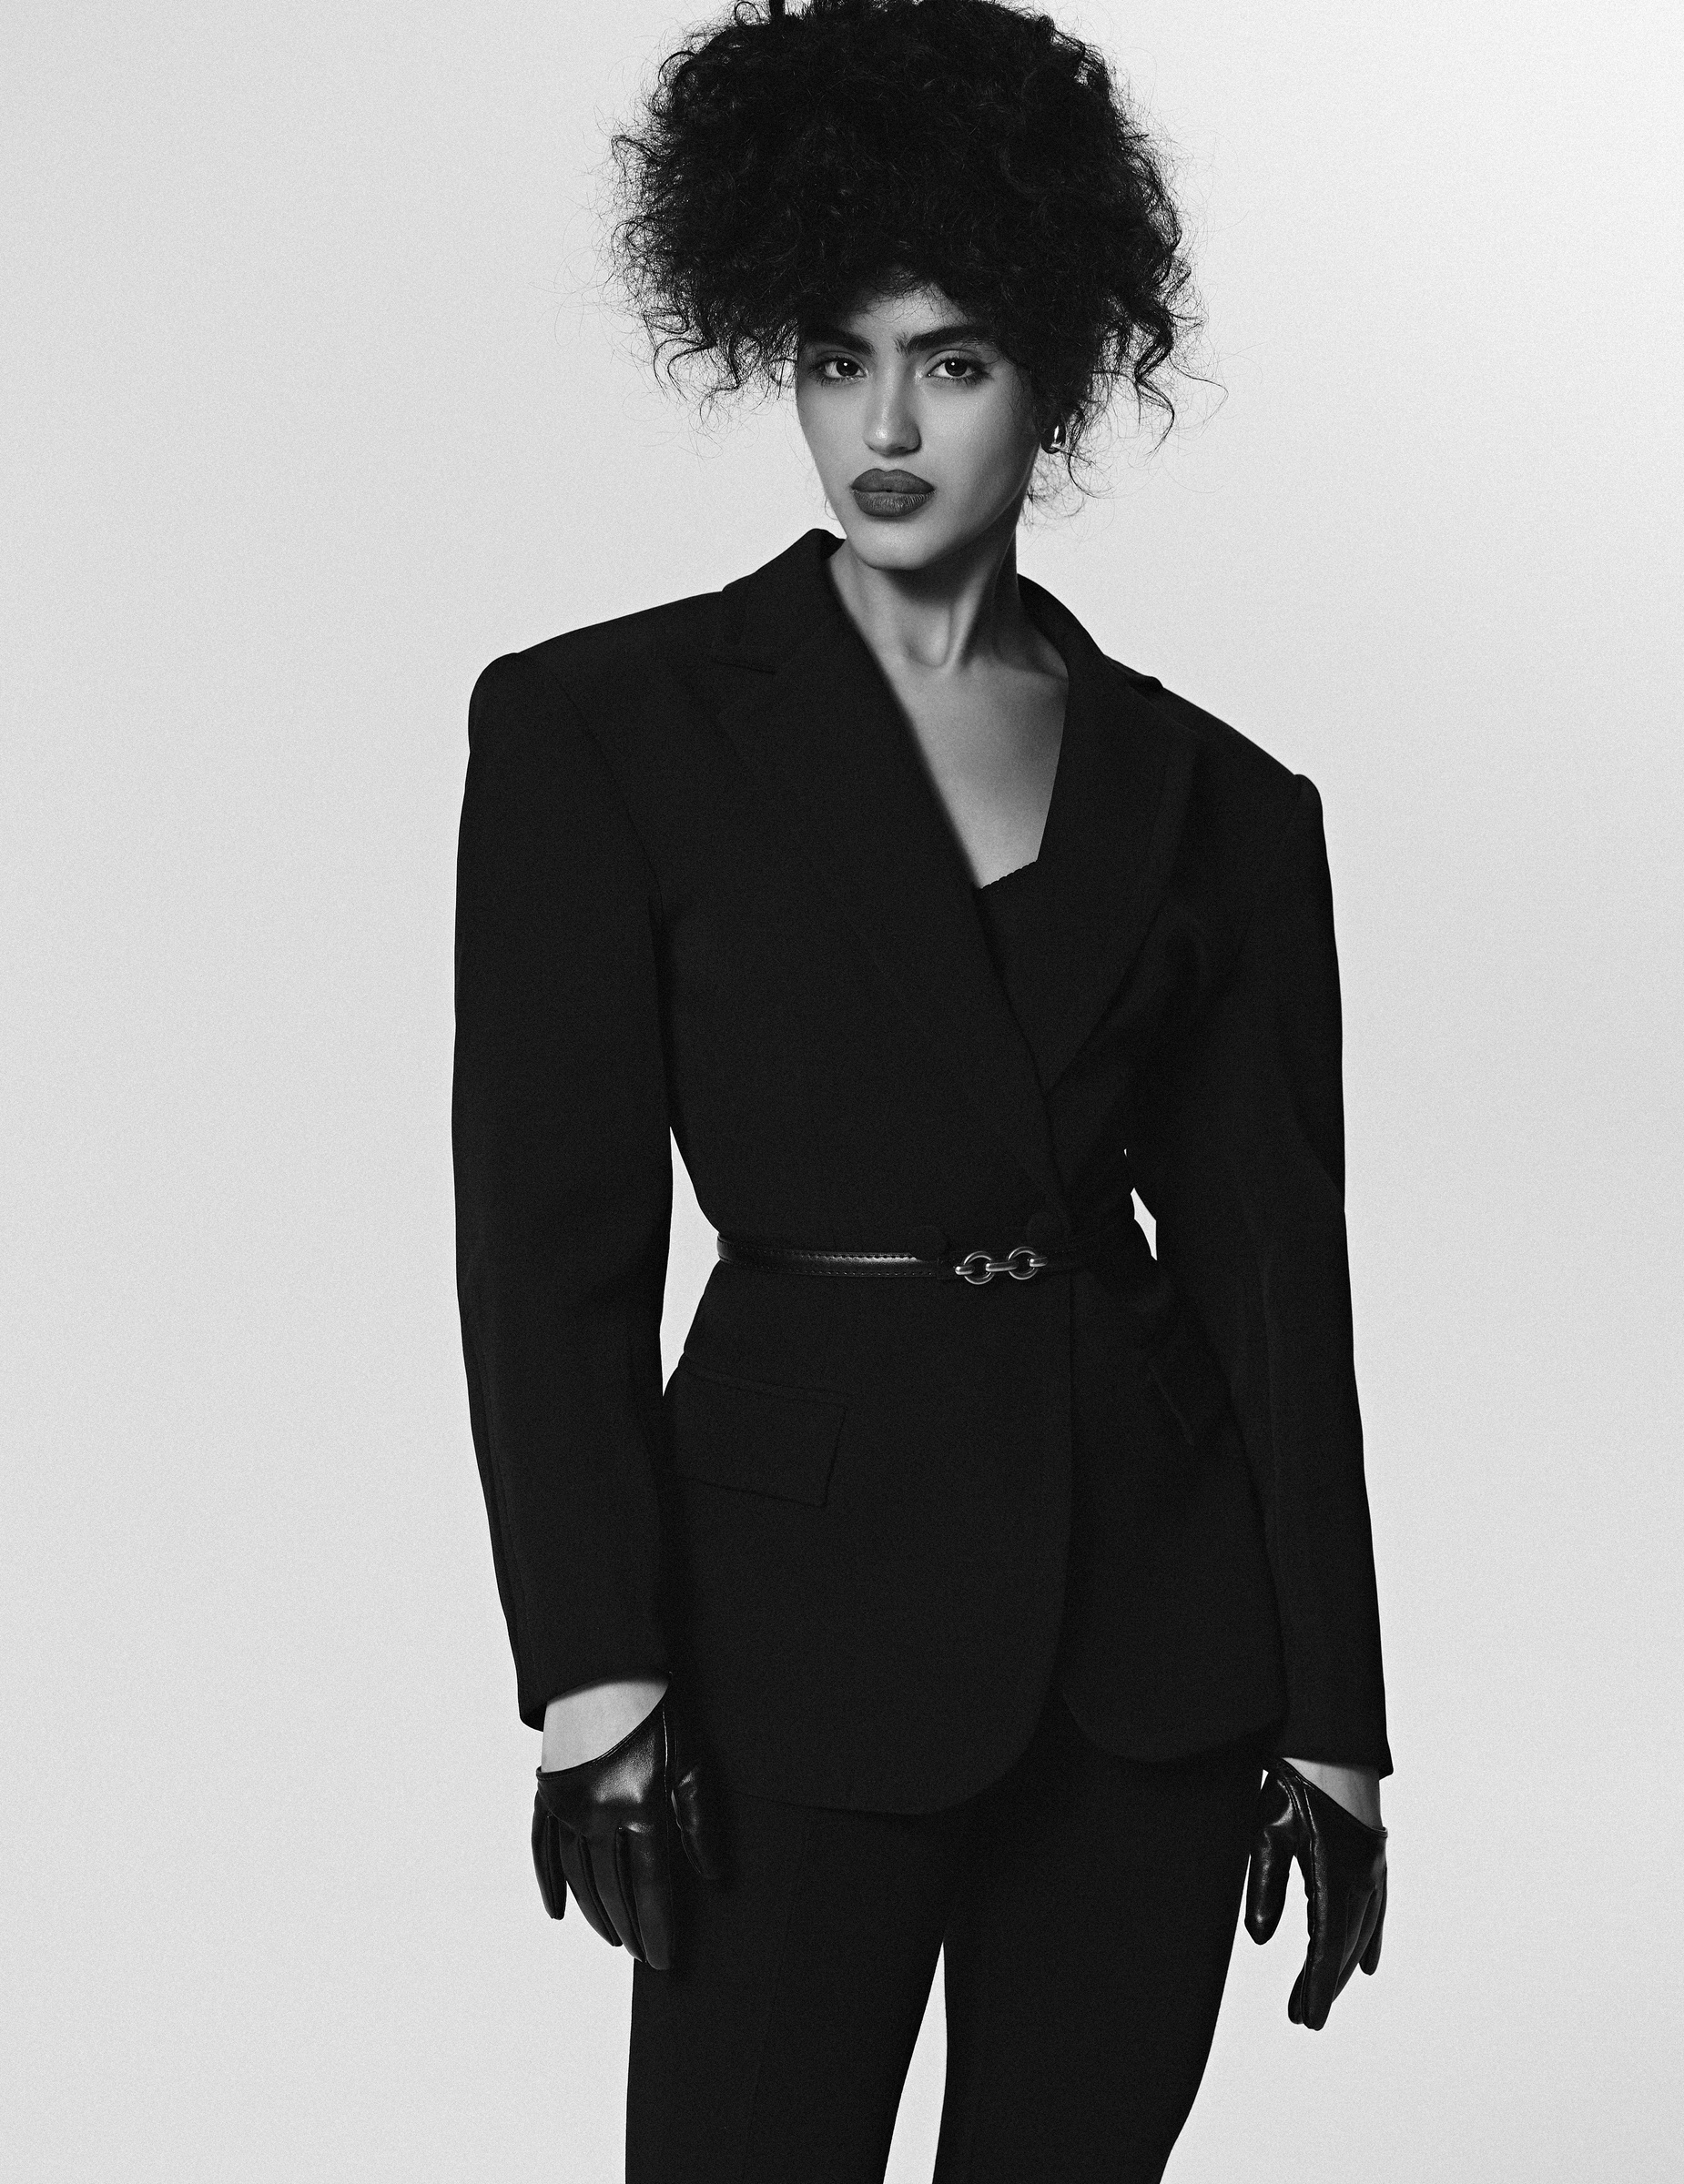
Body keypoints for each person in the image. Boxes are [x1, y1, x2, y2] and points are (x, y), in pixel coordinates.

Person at [451, 0, 1392, 2175]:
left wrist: (1337, 1715)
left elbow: (1276, 1279)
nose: (882, 425)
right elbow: (546, 1245)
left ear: (1056, 369)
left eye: (951, 361)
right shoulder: (606, 732)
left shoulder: (1220, 802)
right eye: (834, 355)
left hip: (1156, 1658)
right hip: (783, 1642)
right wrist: (593, 1673)